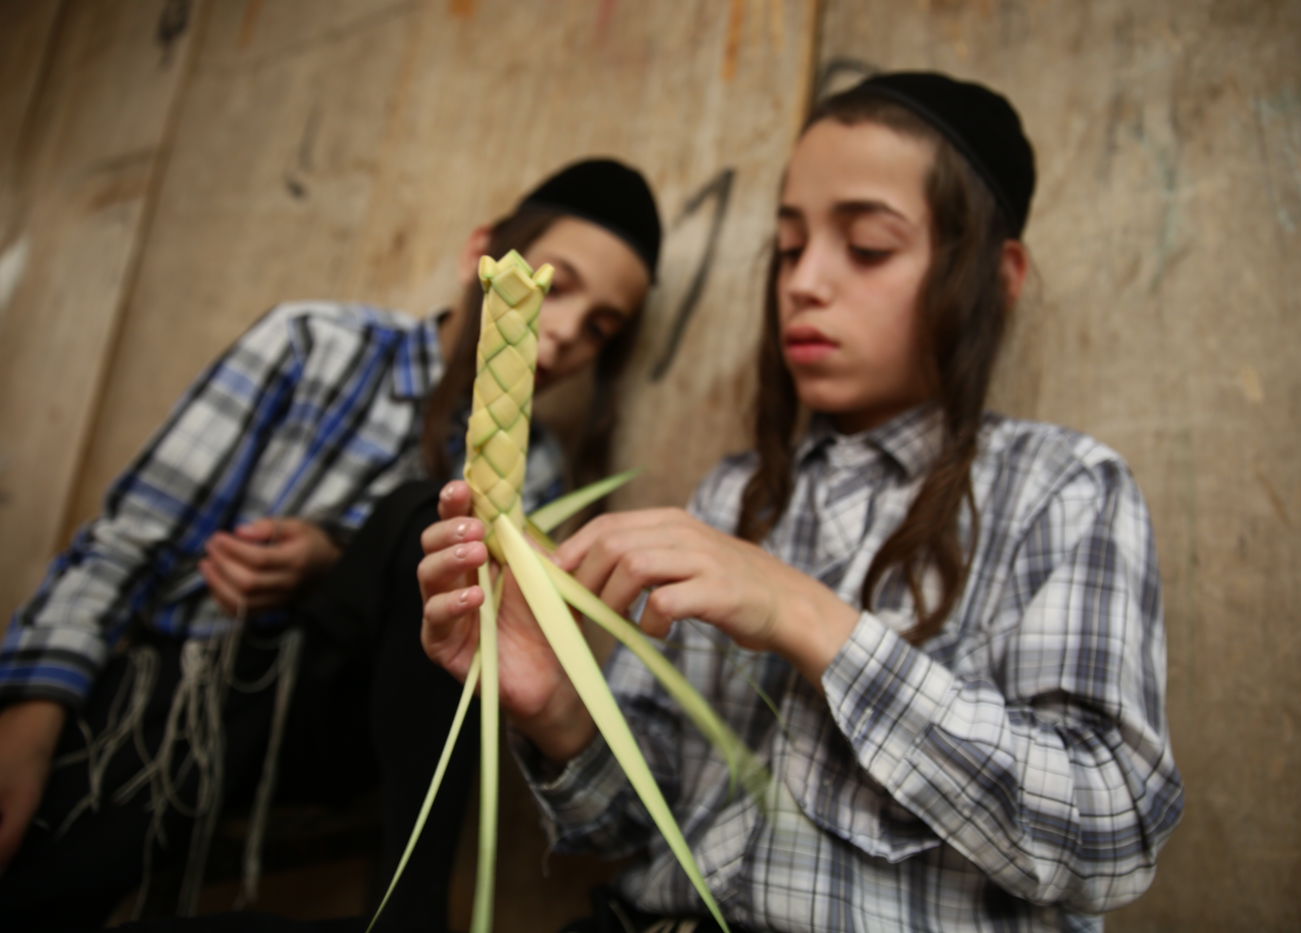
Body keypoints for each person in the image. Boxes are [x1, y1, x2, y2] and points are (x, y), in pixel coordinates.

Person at [417, 72, 1185, 931]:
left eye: (868, 247)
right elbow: (630, 824)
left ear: (996, 275)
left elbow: (1112, 832)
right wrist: (554, 707)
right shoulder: (733, 496)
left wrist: (802, 613)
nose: (805, 282)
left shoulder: (1063, 487)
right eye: (788, 249)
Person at [0, 157, 663, 930]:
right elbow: (133, 534)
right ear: (478, 253)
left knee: (441, 533)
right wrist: (32, 708)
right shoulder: (312, 343)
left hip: (346, 733)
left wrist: (332, 559)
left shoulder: (537, 468)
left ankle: (409, 911)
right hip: (194, 681)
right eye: (555, 285)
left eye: (600, 327)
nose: (565, 332)